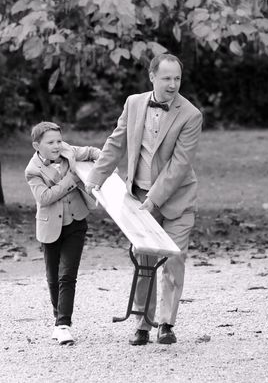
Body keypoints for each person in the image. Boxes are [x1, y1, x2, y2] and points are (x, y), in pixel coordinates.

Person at [85, 53, 202, 346]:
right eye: (166, 78)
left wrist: (154, 199)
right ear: (152, 77)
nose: (173, 84)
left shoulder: (191, 115)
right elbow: (115, 142)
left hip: (177, 201)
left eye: (177, 78)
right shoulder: (134, 103)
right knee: (144, 261)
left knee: (174, 259)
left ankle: (166, 323)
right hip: (137, 196)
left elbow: (179, 165)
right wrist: (95, 178)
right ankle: (142, 324)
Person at [24, 121, 100, 345]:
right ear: (37, 145)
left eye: (59, 140)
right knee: (53, 277)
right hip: (49, 227)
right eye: (51, 142)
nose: (57, 145)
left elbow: (94, 152)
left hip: (76, 221)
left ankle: (63, 324)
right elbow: (45, 197)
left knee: (67, 275)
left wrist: (104, 166)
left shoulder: (69, 151)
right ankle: (59, 318)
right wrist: (72, 179)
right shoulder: (32, 170)